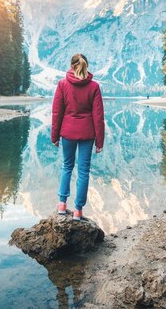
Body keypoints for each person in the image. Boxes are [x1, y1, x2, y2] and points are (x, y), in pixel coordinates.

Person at [51, 53, 105, 221]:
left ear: (71, 66)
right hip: (87, 134)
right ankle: (78, 211)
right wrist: (99, 141)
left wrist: (55, 136)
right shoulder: (94, 86)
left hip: (67, 132)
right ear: (86, 66)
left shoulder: (62, 84)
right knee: (83, 172)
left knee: (67, 166)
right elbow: (98, 116)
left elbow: (56, 112)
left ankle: (62, 204)